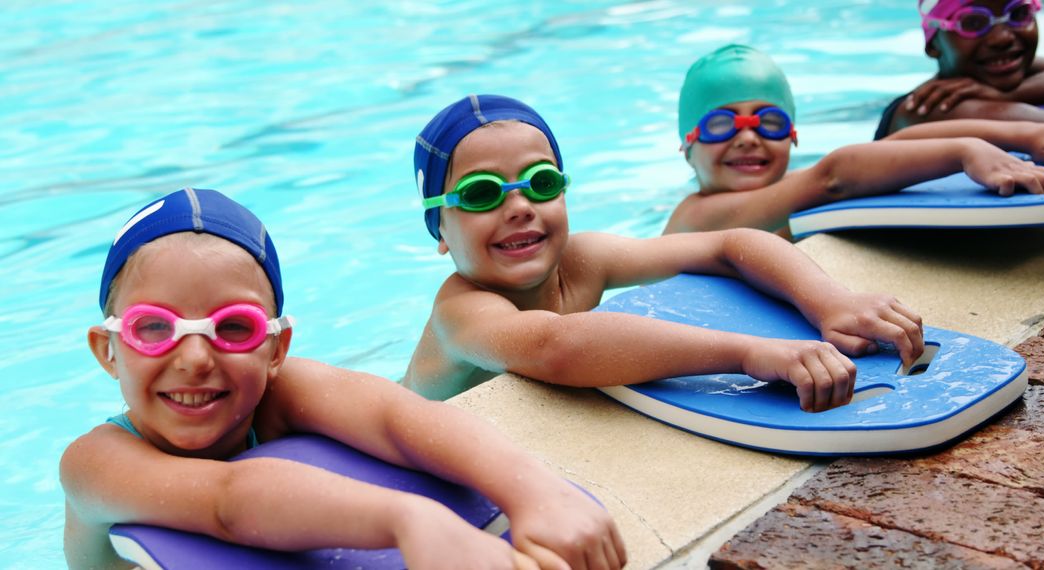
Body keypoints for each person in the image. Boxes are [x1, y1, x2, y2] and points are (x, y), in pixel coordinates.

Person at [61, 188, 625, 570]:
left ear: (276, 348)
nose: (195, 359)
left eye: (233, 327)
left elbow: (400, 417)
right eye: (154, 329)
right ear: (107, 351)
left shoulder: (277, 394)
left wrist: (536, 491)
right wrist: (409, 519)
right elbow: (226, 500)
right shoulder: (94, 462)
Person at [401, 94, 925, 409]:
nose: (518, 206)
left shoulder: (585, 259)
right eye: (480, 193)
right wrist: (749, 353)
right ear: (440, 231)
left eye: (539, 182)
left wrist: (829, 301)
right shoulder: (461, 310)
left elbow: (729, 244)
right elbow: (557, 347)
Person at [663, 44, 1044, 237]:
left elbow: (898, 142)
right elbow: (835, 175)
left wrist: (1025, 134)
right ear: (687, 147)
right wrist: (963, 151)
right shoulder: (696, 218)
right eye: (721, 125)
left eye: (770, 122)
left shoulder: (786, 187)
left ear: (794, 136)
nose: (748, 138)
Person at [875, 0, 1044, 138]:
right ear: (933, 45)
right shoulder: (929, 108)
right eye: (972, 23)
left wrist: (1008, 95)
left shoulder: (996, 71)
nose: (1002, 38)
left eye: (1018, 13)